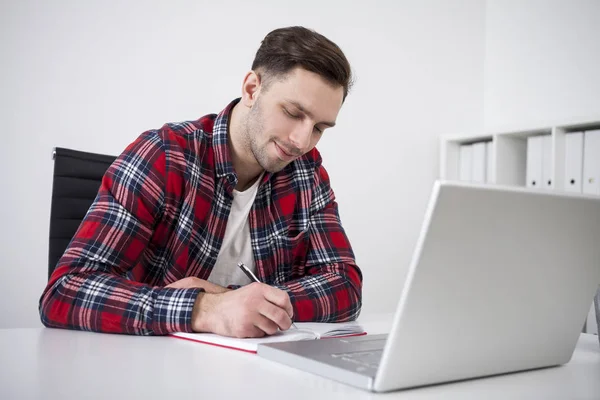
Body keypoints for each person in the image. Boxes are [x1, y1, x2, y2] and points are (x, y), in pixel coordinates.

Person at [39, 26, 362, 337]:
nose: (302, 141)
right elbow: (64, 291)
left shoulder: (306, 172)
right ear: (252, 89)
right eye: (293, 113)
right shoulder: (163, 156)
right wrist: (206, 309)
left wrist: (234, 299)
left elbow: (345, 286)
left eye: (320, 127)